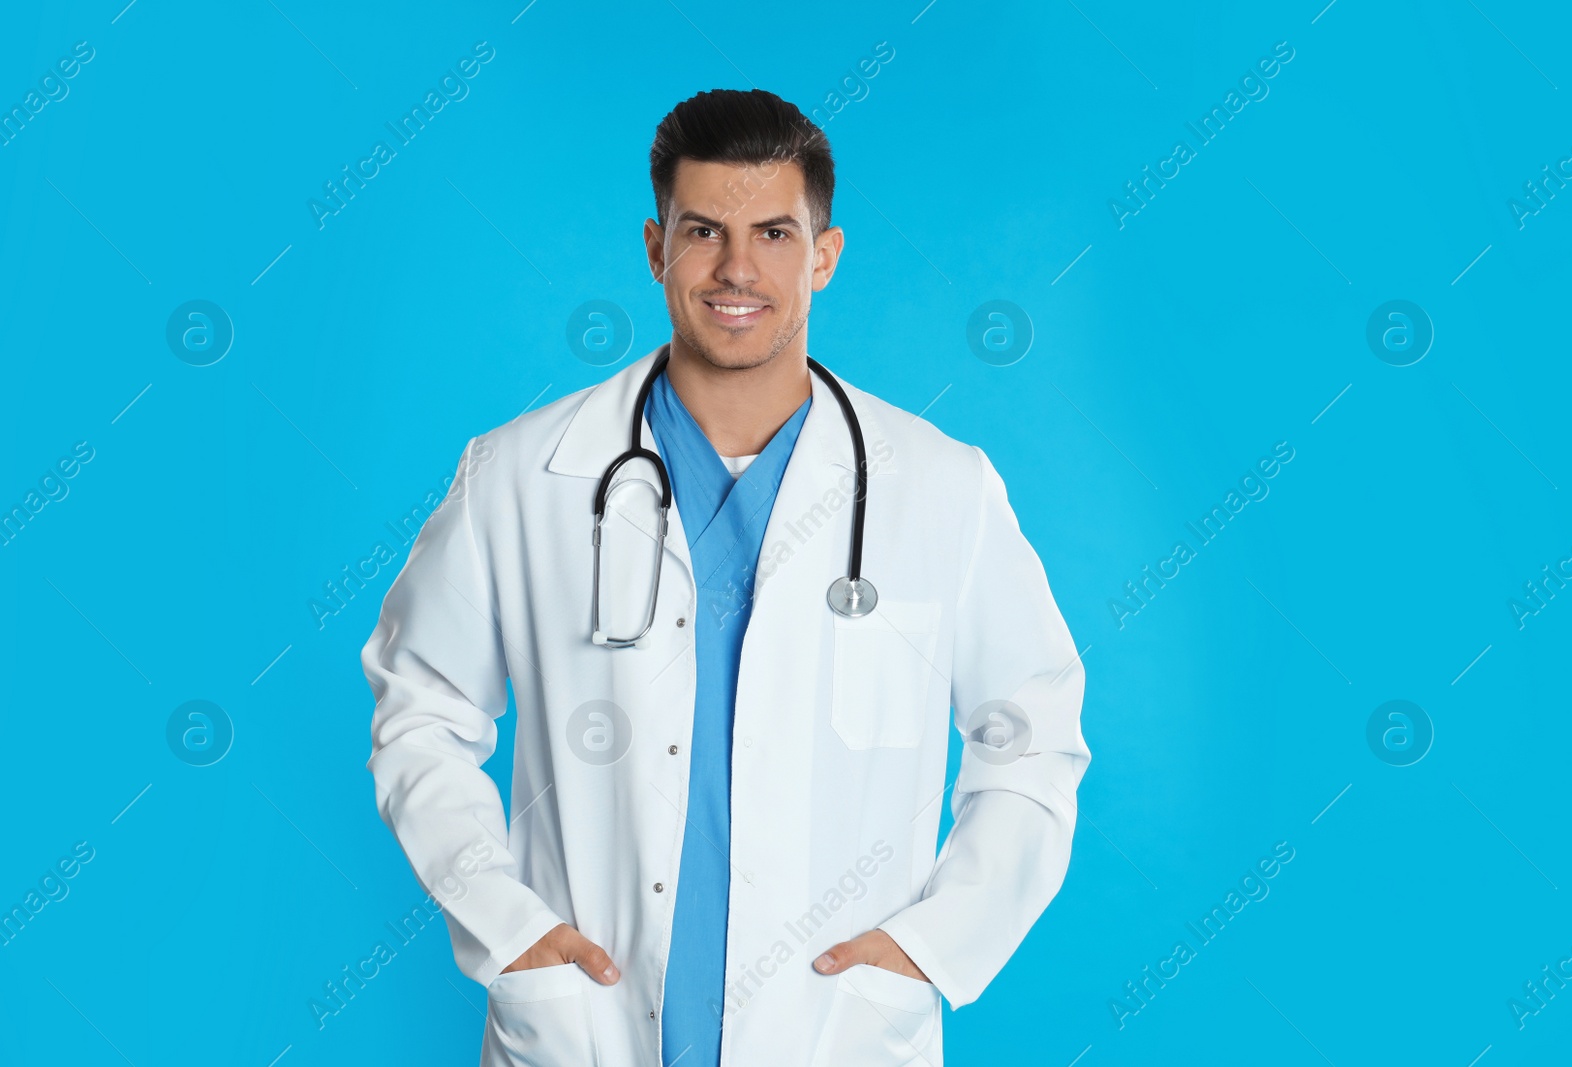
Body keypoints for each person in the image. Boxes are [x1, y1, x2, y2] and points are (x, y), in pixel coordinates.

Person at [361, 87, 1091, 1067]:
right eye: (704, 230)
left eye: (775, 233)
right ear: (656, 247)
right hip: (584, 1027)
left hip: (835, 1029)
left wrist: (927, 950)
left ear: (824, 255)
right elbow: (420, 714)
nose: (737, 267)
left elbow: (1032, 739)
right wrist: (509, 930)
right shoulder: (519, 475)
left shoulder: (939, 488)